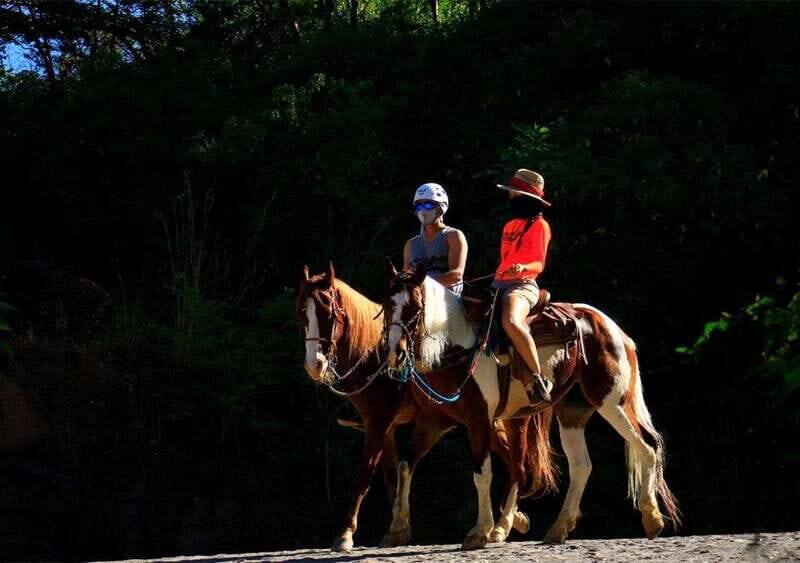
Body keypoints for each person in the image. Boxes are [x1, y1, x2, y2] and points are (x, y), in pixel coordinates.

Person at [493, 169, 552, 403]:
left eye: (514, 194)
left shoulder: (541, 226)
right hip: (499, 282)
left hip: (523, 285)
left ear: (525, 198)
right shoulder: (509, 226)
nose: (510, 198)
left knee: (510, 320)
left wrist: (521, 268)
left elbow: (539, 263)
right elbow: (504, 258)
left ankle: (538, 378)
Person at [403, 183, 467, 295]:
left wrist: (423, 287)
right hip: (417, 297)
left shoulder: (453, 236)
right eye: (419, 206)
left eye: (428, 205)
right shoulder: (411, 244)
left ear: (440, 208)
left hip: (446, 298)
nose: (423, 211)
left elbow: (456, 274)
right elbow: (405, 275)